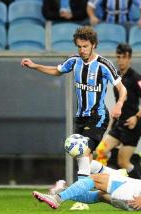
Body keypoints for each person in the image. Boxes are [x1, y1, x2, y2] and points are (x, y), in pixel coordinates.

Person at [21, 26, 127, 181]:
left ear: (94, 45)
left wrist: (119, 104)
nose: (82, 50)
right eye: (79, 46)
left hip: (98, 116)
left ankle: (80, 200)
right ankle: (116, 174)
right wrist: (35, 66)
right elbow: (57, 70)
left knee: (83, 152)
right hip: (81, 117)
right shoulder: (74, 61)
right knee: (83, 158)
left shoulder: (104, 65)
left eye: (85, 46)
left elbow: (122, 89)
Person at [95, 43, 141, 179]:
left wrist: (136, 117)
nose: (120, 60)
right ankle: (99, 184)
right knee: (100, 152)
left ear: (129, 58)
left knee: (123, 162)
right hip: (119, 124)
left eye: (124, 57)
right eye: (118, 57)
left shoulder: (136, 78)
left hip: (133, 124)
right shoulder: (117, 77)